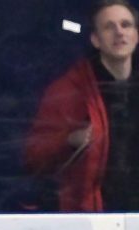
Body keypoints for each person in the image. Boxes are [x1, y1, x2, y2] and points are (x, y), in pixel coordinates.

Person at [24, 0, 139, 212]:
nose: (119, 32)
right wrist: (68, 140)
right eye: (109, 26)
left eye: (126, 24)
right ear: (96, 39)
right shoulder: (69, 91)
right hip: (93, 217)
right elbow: (33, 157)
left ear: (136, 35)